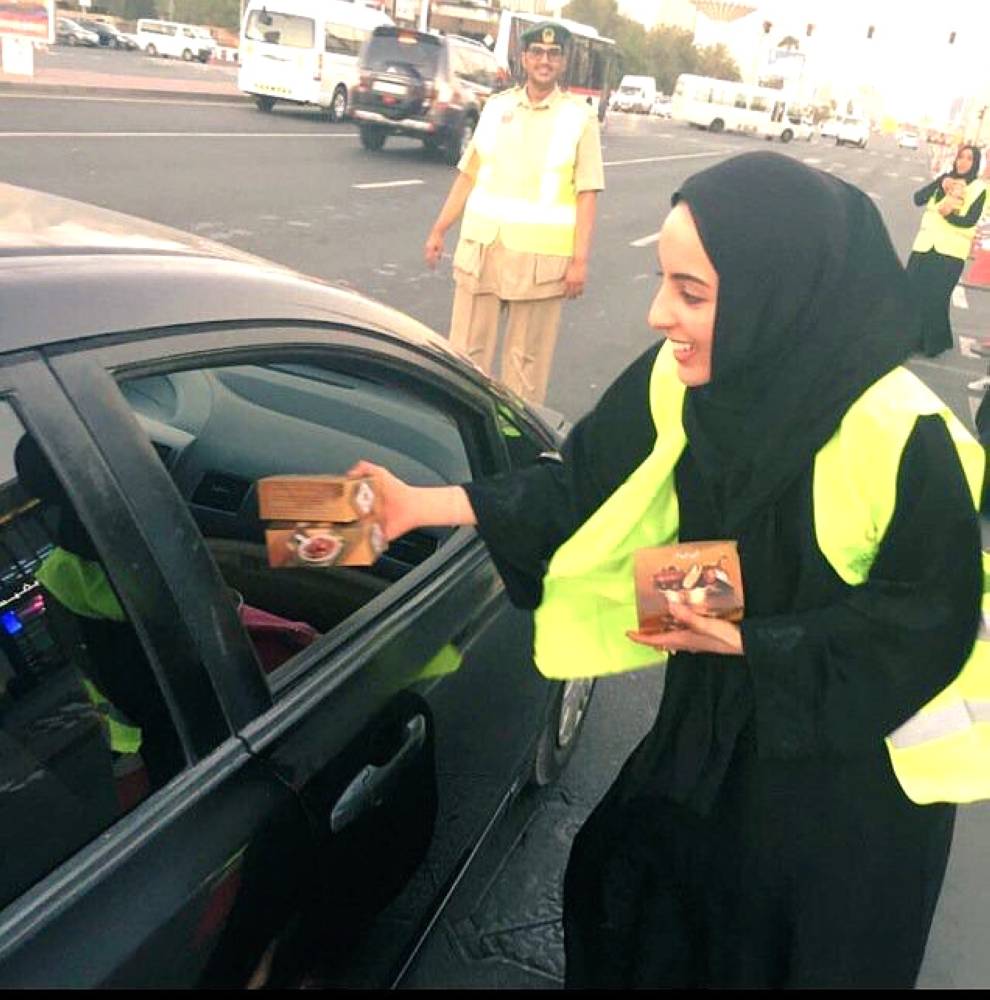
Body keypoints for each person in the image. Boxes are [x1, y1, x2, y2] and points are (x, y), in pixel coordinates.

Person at [351, 152, 985, 987]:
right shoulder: (682, 380)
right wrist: (419, 506)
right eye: (663, 282)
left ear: (778, 292)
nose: (659, 316)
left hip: (849, 796)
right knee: (629, 911)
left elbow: (927, 623)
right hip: (705, 735)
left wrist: (753, 645)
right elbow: (580, 482)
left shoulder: (906, 433)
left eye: (693, 293)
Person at [423, 20, 604, 406]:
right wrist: (439, 229)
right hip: (483, 249)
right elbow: (469, 173)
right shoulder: (497, 107)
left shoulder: (579, 118)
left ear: (563, 62)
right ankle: (462, 436)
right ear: (524, 58)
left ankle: (514, 448)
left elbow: (588, 192)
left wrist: (580, 262)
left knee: (525, 369)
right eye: (537, 53)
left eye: (553, 54)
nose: (544, 61)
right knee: (465, 357)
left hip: (539, 263)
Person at [907, 144, 986, 357]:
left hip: (951, 252)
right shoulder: (945, 180)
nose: (963, 162)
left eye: (969, 159)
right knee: (911, 293)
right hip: (925, 245)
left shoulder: (979, 188)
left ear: (975, 163)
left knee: (936, 298)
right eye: (961, 157)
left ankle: (933, 343)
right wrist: (940, 184)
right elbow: (918, 198)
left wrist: (947, 214)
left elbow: (970, 220)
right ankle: (912, 338)